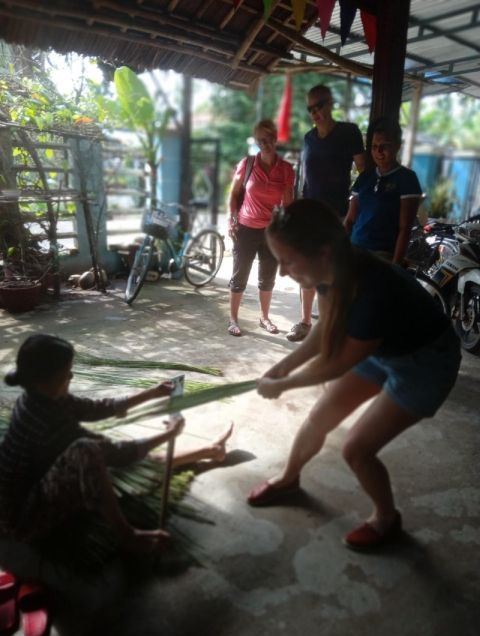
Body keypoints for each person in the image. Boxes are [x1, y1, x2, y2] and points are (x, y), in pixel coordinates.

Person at [248, 201, 461, 551]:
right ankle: (288, 480)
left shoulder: (372, 288)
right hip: (384, 348)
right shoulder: (327, 271)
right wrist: (283, 367)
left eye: (287, 260)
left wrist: (284, 385)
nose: (282, 272)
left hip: (425, 363)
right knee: (319, 418)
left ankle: (387, 519)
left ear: (323, 251)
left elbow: (337, 363)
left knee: (357, 450)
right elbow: (324, 332)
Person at [0, 334, 233, 553]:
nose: (70, 378)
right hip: (23, 518)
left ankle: (210, 450)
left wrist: (151, 393)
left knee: (117, 464)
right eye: (66, 374)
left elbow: (95, 408)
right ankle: (127, 535)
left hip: (34, 483)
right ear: (43, 381)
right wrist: (168, 435)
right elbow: (118, 453)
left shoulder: (35, 396)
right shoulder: (48, 420)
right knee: (92, 452)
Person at [287, 84, 366, 343]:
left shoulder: (349, 132)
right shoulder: (308, 139)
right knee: (307, 269)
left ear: (330, 103)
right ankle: (306, 322)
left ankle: (331, 326)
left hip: (338, 217)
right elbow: (305, 181)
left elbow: (364, 174)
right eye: (310, 108)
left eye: (318, 105)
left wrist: (354, 208)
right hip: (311, 216)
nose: (314, 112)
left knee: (333, 273)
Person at [228, 119, 294, 337]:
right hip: (246, 229)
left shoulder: (285, 170)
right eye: (260, 140)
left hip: (270, 232)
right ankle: (233, 319)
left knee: (267, 278)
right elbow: (234, 194)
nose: (265, 144)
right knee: (240, 277)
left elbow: (288, 204)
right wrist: (232, 219)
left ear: (275, 139)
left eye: (268, 139)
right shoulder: (247, 164)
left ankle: (264, 317)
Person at [344, 118, 422, 263]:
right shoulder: (365, 177)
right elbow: (350, 220)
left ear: (397, 146)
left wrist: (395, 267)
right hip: (354, 249)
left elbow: (405, 229)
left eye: (384, 146)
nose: (378, 151)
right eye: (374, 146)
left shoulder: (407, 179)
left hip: (381, 256)